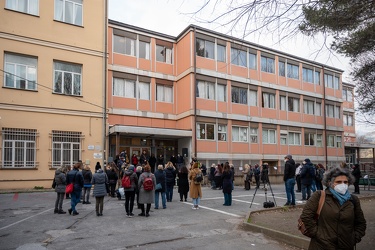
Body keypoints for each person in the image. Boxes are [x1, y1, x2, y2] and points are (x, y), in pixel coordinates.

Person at [300, 166, 366, 249]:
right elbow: (306, 217)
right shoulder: (319, 196)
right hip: (321, 246)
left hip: (346, 246)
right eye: (338, 182)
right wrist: (318, 235)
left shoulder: (353, 200)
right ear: (329, 183)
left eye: (345, 182)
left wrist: (354, 238)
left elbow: (361, 223)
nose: (343, 184)